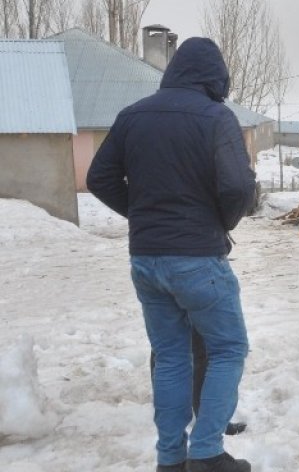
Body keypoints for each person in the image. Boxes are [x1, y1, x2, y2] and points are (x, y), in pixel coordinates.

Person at [88, 37, 256, 472]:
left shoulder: (132, 116)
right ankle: (206, 453)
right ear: (216, 77)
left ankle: (170, 460)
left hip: (146, 259)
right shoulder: (217, 118)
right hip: (197, 257)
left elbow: (99, 177)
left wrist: (143, 214)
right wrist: (220, 222)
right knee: (227, 348)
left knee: (171, 355)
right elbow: (238, 187)